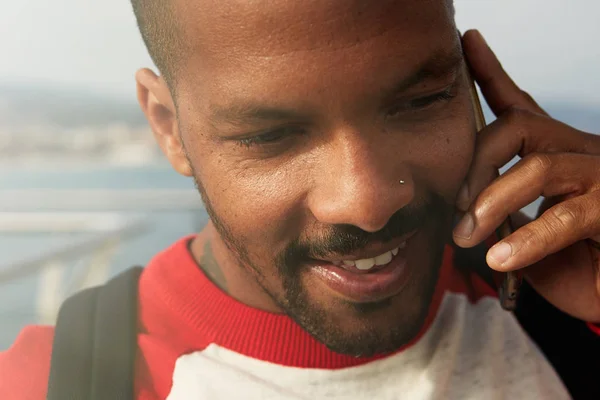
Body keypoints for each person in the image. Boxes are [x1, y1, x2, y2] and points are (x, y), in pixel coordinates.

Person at [1, 0, 599, 399]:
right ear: (167, 126)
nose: (365, 201)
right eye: (269, 136)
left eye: (419, 102)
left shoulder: (570, 297)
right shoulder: (49, 384)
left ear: (471, 84)